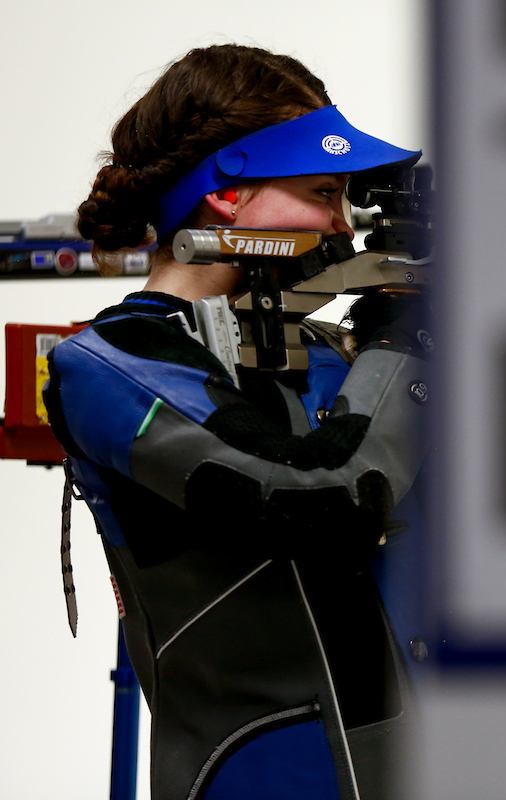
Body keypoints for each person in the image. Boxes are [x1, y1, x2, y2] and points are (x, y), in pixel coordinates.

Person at [42, 45, 430, 800]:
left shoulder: (332, 353)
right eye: (322, 192)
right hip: (268, 777)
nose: (339, 224)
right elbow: (320, 496)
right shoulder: (111, 362)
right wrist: (403, 341)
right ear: (228, 198)